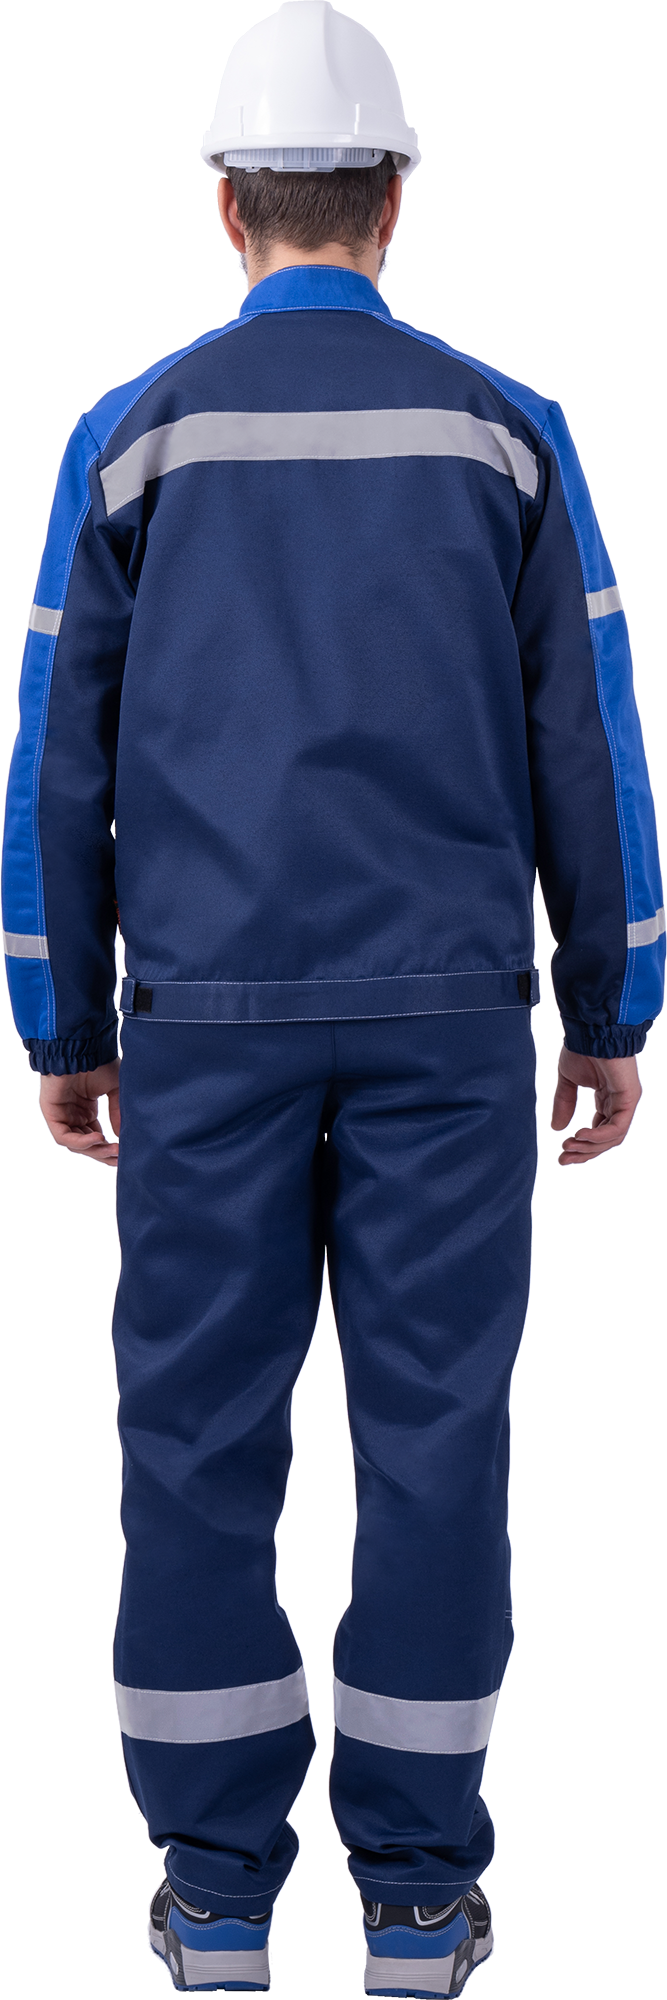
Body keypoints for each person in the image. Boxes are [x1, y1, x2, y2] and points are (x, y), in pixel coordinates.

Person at [2, 4, 664, 1996]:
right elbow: (587, 737)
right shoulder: (503, 433)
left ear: (229, 206)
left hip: (204, 1023)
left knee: (195, 1439)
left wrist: (65, 1023)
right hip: (447, 1030)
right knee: (435, 1439)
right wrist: (612, 1003)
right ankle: (415, 1896)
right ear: (391, 205)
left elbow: (55, 762)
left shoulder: (133, 437)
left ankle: (216, 1896)